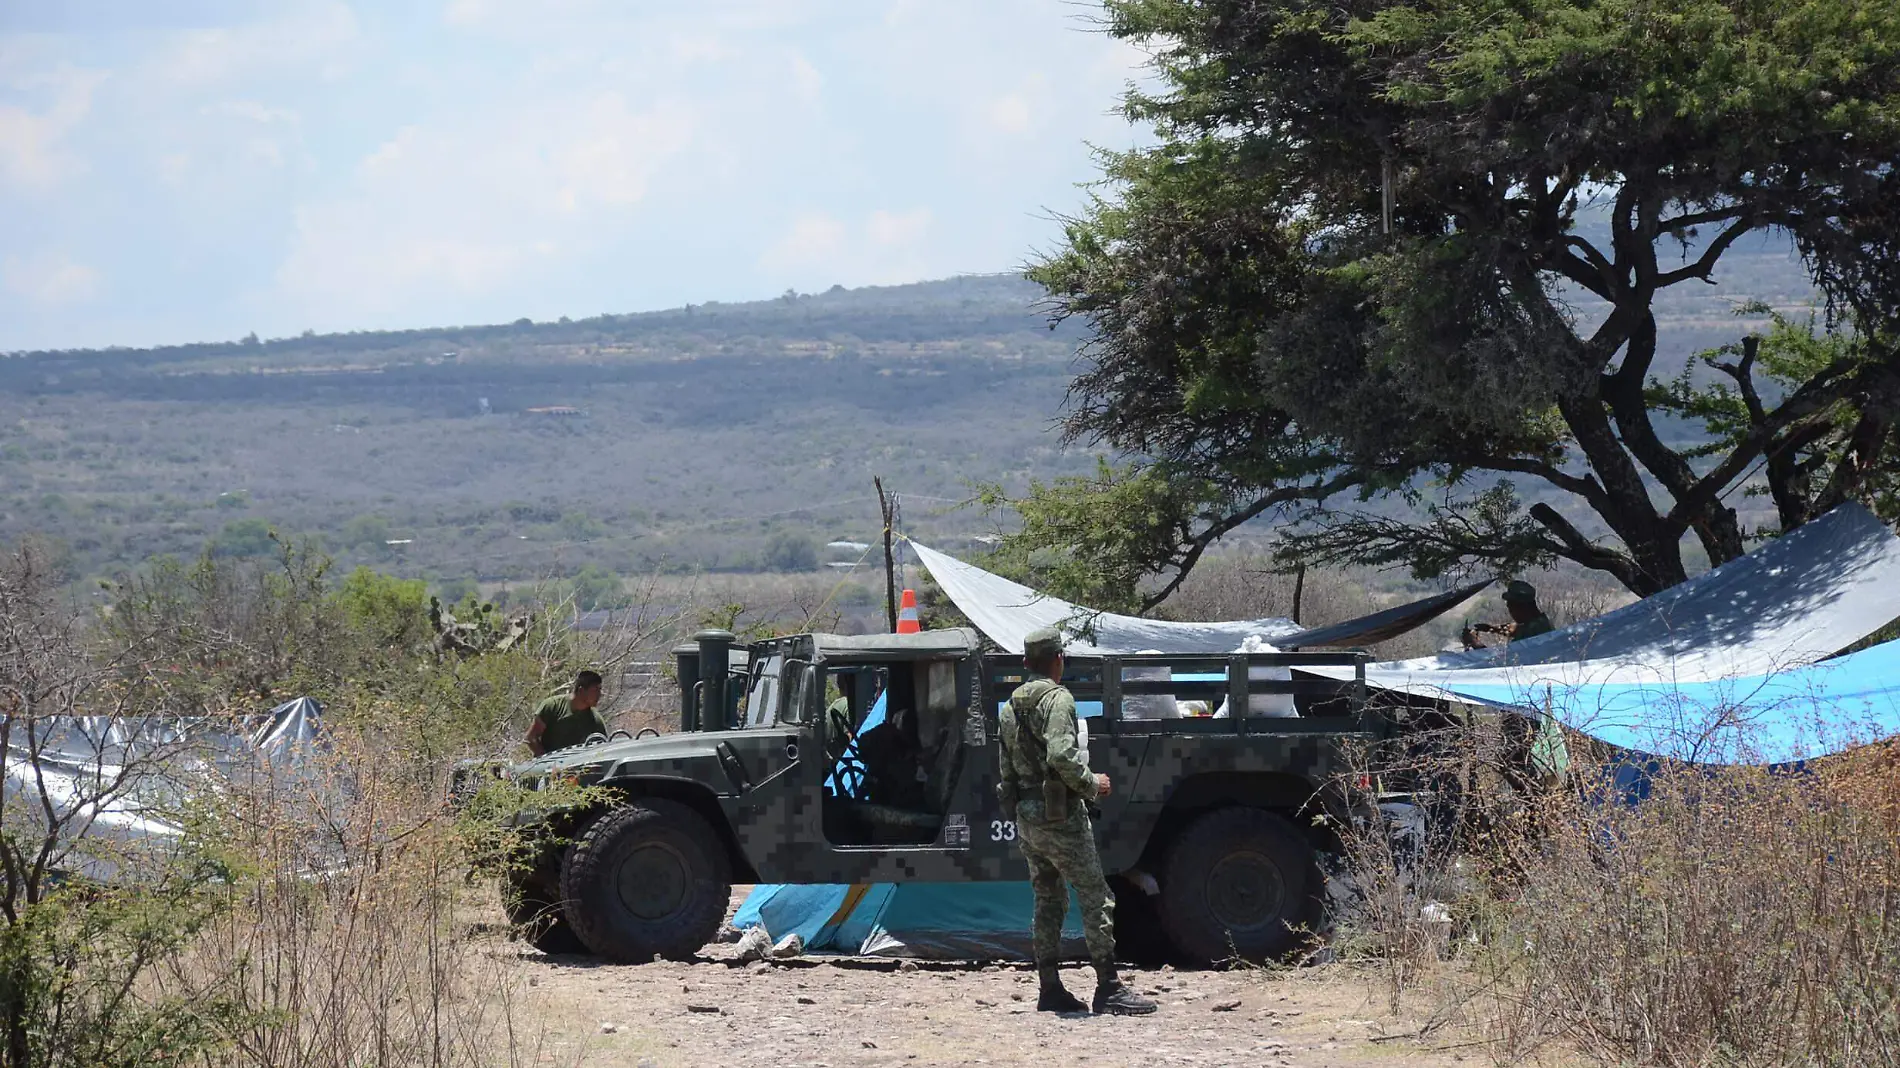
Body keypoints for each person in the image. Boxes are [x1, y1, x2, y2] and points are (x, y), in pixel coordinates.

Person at [997, 627, 1156, 1017]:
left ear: (1024, 663)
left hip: (1028, 816)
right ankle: (1109, 986)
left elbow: (1006, 770)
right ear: (1058, 661)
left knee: (1048, 899)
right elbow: (1064, 756)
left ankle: (1049, 987)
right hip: (1060, 814)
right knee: (1095, 895)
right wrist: (1092, 785)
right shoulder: (1058, 700)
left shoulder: (1008, 707)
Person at [524, 670, 608, 756]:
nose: (599, 694)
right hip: (548, 766)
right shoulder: (553, 706)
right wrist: (547, 760)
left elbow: (603, 748)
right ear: (581, 690)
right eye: (595, 690)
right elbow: (531, 737)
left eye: (600, 690)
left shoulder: (596, 720)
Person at [1461, 580, 1556, 650]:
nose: (1511, 613)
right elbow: (1515, 629)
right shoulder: (1540, 622)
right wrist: (1491, 628)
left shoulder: (1534, 633)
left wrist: (1474, 643)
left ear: (1522, 607)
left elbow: (1502, 664)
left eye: (1510, 608)